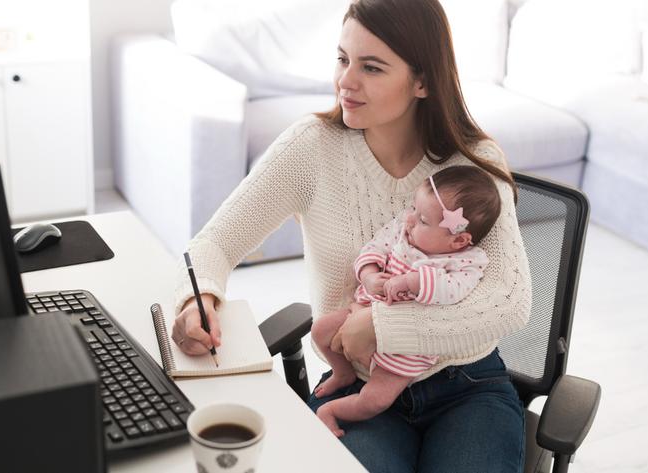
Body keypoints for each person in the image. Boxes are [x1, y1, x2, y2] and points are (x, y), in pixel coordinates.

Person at [171, 0, 532, 471]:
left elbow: (510, 299)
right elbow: (215, 241)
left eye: (372, 67)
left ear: (422, 80)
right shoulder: (312, 147)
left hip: (467, 386)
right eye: (343, 59)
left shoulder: (474, 163)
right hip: (357, 386)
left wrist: (383, 325)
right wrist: (199, 300)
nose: (346, 80)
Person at [312, 165, 501, 437]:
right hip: (362, 311)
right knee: (320, 330)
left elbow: (455, 291)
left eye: (423, 220)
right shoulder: (402, 232)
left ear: (458, 239)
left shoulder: (464, 261)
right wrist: (369, 276)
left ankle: (331, 411)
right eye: (414, 208)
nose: (410, 219)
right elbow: (373, 248)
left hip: (408, 350)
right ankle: (343, 372)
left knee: (375, 400)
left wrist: (414, 282)